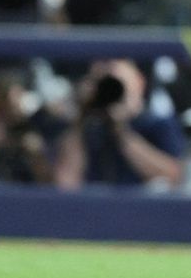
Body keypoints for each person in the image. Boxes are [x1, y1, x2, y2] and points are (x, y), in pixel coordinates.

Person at [54, 60, 184, 189]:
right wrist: (83, 112)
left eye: (116, 84)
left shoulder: (157, 123)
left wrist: (120, 130)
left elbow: (173, 175)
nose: (109, 92)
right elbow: (65, 182)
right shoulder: (87, 127)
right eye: (103, 86)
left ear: (139, 82)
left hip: (141, 206)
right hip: (94, 206)